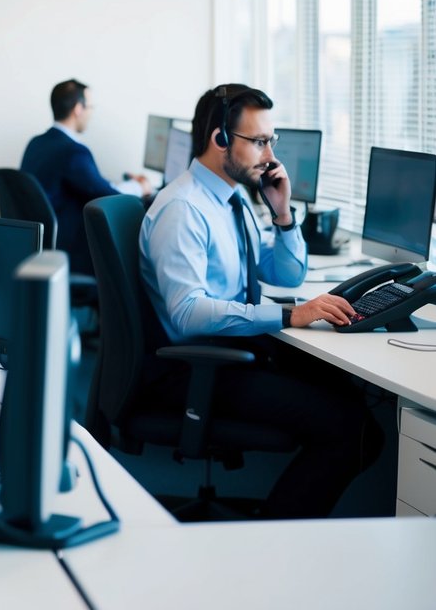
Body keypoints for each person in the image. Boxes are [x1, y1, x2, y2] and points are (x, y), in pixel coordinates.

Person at [139, 83, 381, 518]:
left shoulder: (234, 200)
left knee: (354, 404)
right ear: (220, 140)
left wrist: (284, 214)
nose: (270, 155)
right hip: (198, 366)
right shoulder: (184, 210)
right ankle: (272, 540)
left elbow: (285, 273)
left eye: (273, 141)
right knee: (350, 428)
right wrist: (291, 314)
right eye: (260, 141)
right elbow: (188, 312)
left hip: (237, 350)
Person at [20, 79, 151, 275]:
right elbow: (109, 196)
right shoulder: (73, 152)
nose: (91, 113)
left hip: (38, 244)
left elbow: (93, 184)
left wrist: (126, 183)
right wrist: (141, 187)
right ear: (78, 109)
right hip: (71, 250)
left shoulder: (36, 143)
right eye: (90, 107)